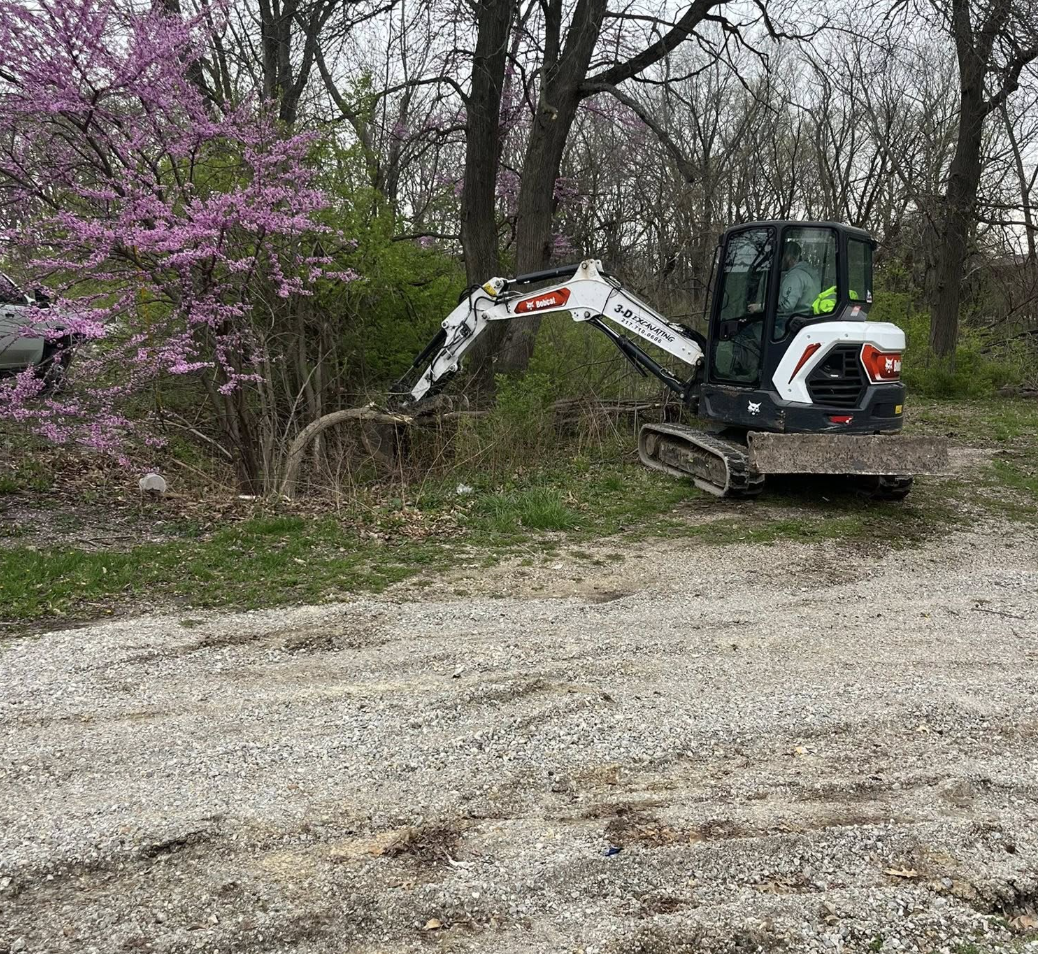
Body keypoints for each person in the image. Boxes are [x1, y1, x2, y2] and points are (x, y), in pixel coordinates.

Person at [747, 240, 820, 336]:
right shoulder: (807, 274)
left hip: (790, 321)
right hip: (802, 318)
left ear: (788, 257)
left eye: (782, 256)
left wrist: (759, 307)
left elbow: (787, 306)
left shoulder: (794, 276)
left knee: (748, 330)